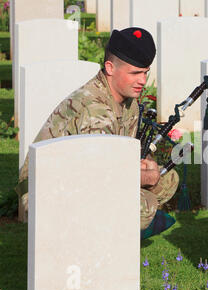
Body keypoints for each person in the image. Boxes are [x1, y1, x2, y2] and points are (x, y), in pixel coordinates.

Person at [15, 27, 179, 239]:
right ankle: (98, 236)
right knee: (143, 208)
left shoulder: (128, 102)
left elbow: (120, 154)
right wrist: (145, 176)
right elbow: (100, 175)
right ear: (110, 68)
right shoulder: (94, 109)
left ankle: (110, 228)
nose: (142, 80)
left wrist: (146, 164)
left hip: (89, 175)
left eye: (145, 72)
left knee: (168, 179)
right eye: (135, 73)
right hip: (49, 187)